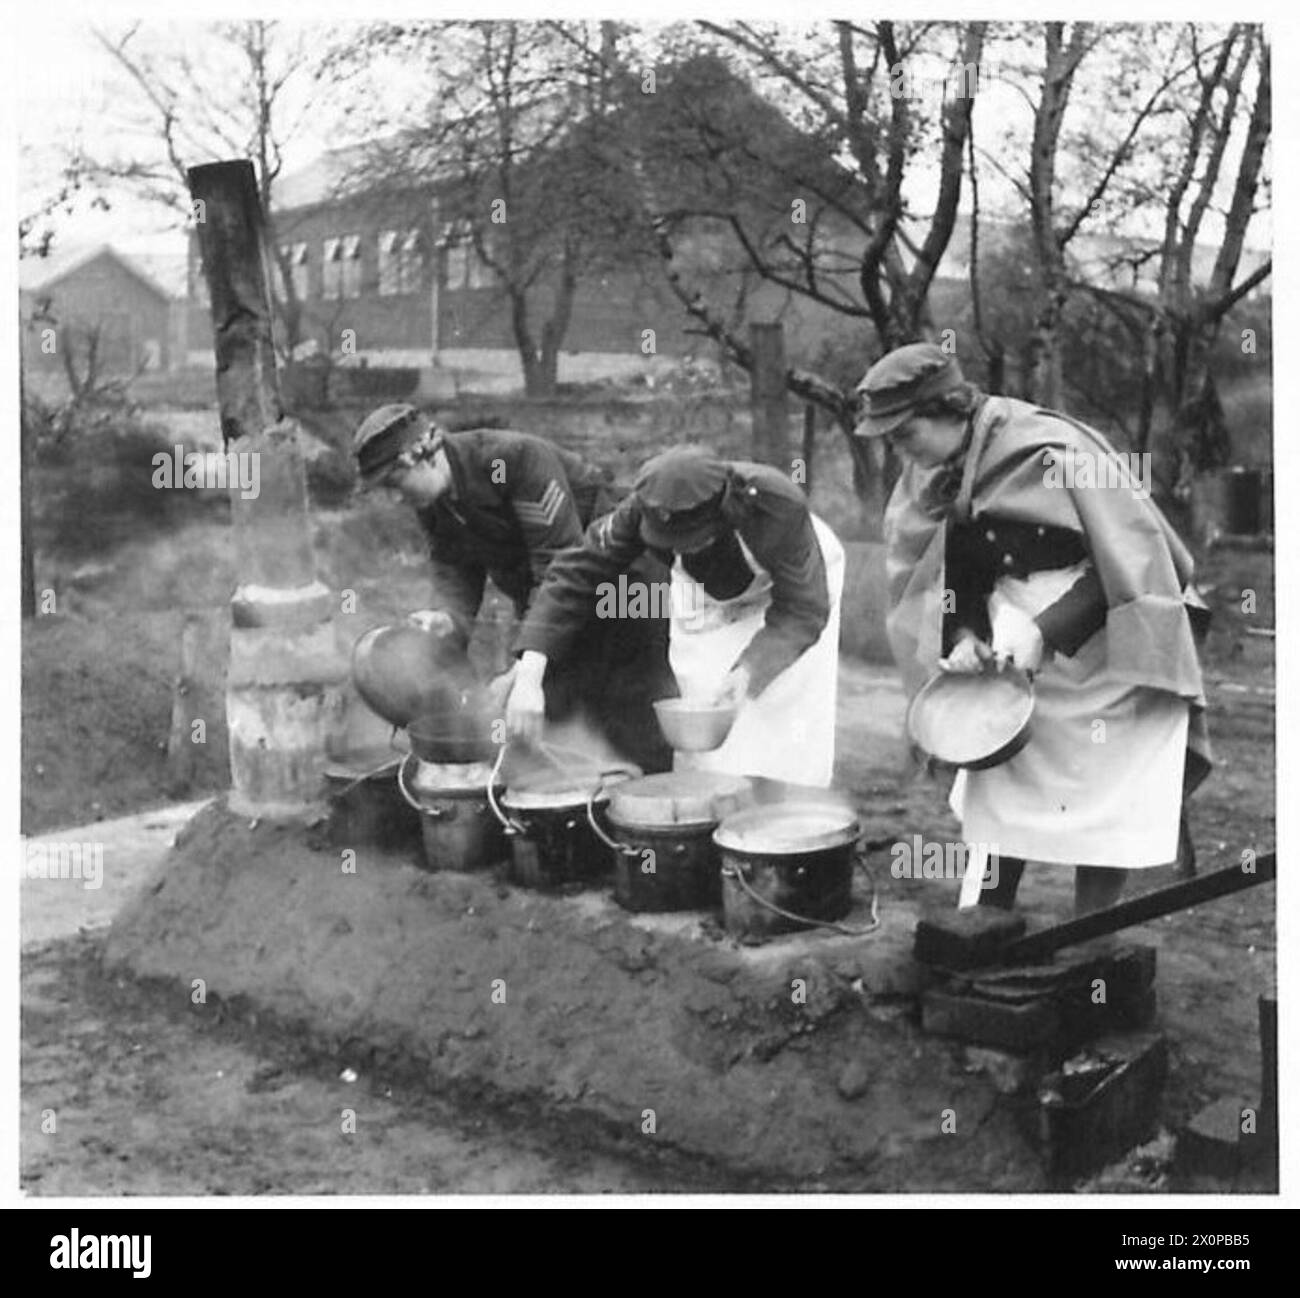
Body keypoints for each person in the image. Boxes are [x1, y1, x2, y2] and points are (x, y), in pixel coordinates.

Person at [857, 343, 1211, 916]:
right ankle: (982, 923)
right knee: (1000, 785)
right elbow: (961, 569)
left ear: (948, 409)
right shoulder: (941, 473)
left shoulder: (1055, 451)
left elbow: (1137, 568)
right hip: (1009, 641)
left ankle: (1092, 937)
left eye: (904, 432)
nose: (901, 451)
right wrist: (967, 636)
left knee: (1104, 798)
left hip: (1106, 647)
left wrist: (1046, 630)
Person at [352, 403, 673, 773]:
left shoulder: (513, 460)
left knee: (633, 723)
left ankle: (652, 819)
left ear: (419, 456)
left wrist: (523, 669)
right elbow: (454, 570)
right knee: (549, 724)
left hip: (624, 598)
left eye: (394, 483)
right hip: (555, 611)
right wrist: (447, 619)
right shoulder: (435, 501)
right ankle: (579, 819)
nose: (394, 498)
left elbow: (560, 567)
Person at [504, 444, 846, 787]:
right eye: (670, 542)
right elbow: (574, 572)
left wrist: (750, 669)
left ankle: (788, 809)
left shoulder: (777, 505)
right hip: (708, 591)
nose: (679, 549)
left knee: (779, 701)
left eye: (692, 540)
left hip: (793, 580)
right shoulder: (645, 507)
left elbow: (803, 608)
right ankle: (711, 806)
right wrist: (530, 674)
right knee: (703, 698)